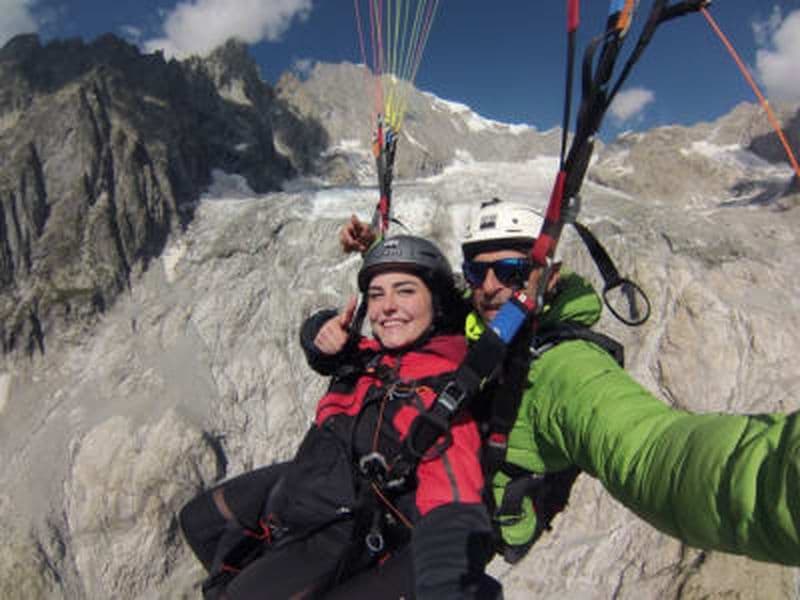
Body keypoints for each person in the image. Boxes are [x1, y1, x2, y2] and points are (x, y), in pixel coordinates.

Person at [339, 198, 800, 568]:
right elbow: (441, 293)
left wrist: (781, 479)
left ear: (550, 277)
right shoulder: (484, 316)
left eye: (514, 272)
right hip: (426, 489)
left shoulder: (568, 369)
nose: (493, 286)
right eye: (479, 272)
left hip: (454, 526)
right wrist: (378, 248)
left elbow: (655, 453)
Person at [180, 235, 498, 599]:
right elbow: (325, 345)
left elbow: (452, 501)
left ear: (437, 303)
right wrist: (319, 332)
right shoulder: (375, 355)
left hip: (343, 522)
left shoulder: (440, 391)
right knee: (199, 522)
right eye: (377, 295)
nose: (387, 306)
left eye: (405, 291)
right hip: (310, 481)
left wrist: (448, 580)